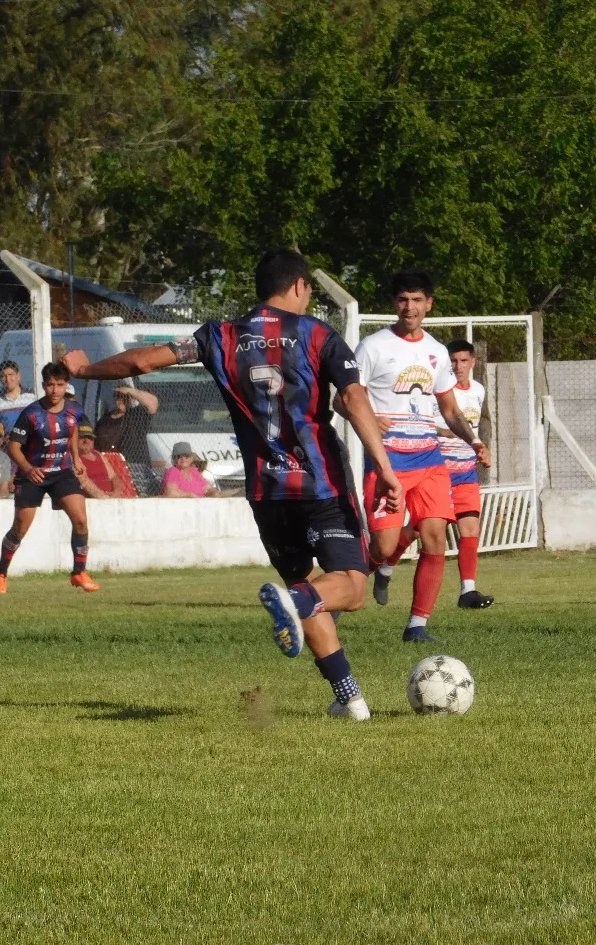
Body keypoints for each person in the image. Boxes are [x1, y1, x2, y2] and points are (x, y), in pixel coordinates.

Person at [64, 248, 405, 721]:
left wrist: (83, 370)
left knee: (308, 590)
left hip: (267, 492)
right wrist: (384, 466)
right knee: (348, 586)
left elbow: (141, 362)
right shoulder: (317, 334)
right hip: (320, 484)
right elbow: (351, 395)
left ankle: (351, 700)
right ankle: (297, 604)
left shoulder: (218, 336)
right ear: (301, 287)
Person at [346, 272, 490, 644]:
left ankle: (417, 626)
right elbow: (343, 399)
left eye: (416, 300)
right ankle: (367, 569)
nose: (409, 307)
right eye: (402, 300)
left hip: (429, 461)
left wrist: (474, 440)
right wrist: (369, 417)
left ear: (429, 304)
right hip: (387, 462)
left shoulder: (437, 351)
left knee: (435, 539)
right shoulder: (373, 347)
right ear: (395, 304)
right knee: (385, 546)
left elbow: (448, 407)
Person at [371, 338, 493, 609]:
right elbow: (423, 421)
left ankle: (467, 591)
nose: (459, 366)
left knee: (470, 527)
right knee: (415, 531)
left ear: (473, 362)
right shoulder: (439, 391)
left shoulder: (479, 390)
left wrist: (479, 447)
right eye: (454, 361)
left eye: (464, 360)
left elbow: (472, 424)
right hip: (438, 468)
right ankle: (385, 567)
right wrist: (445, 432)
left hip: (466, 470)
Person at [0, 361, 98, 594]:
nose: (55, 390)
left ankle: (79, 572)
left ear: (66, 385)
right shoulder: (31, 414)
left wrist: (76, 458)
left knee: (80, 518)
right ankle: (0, 572)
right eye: (50, 385)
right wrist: (29, 469)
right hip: (33, 475)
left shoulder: (74, 409)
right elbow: (13, 447)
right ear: (43, 385)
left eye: (60, 385)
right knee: (20, 527)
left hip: (62, 473)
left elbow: (72, 430)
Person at [0, 360, 37, 498]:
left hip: (28, 448)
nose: (8, 379)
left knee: (30, 481)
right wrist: (0, 438)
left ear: (18, 376)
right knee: (7, 486)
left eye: (11, 374)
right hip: (6, 451)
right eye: (3, 376)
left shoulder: (32, 397)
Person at [94, 384, 159, 467]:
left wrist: (130, 391)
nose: (121, 400)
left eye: (125, 397)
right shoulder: (104, 420)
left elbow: (153, 403)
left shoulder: (136, 415)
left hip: (134, 466)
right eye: (118, 397)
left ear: (131, 398)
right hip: (110, 466)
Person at [76, 424, 127, 498]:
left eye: (89, 438)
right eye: (81, 438)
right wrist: (104, 497)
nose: (86, 441)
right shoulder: (74, 458)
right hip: (94, 500)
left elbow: (114, 477)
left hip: (111, 498)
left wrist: (116, 491)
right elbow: (84, 482)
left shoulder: (98, 455)